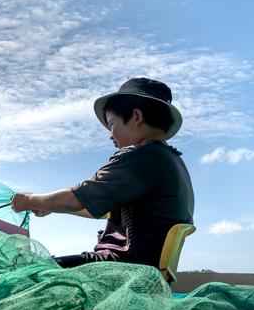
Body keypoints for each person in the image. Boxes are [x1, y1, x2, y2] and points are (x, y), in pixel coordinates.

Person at [11, 77, 194, 268]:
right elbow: (97, 206)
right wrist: (51, 206)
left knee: (29, 272)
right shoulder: (170, 161)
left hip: (123, 266)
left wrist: (29, 200)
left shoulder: (140, 157)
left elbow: (77, 198)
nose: (110, 134)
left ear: (136, 116)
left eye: (112, 124)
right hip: (144, 266)